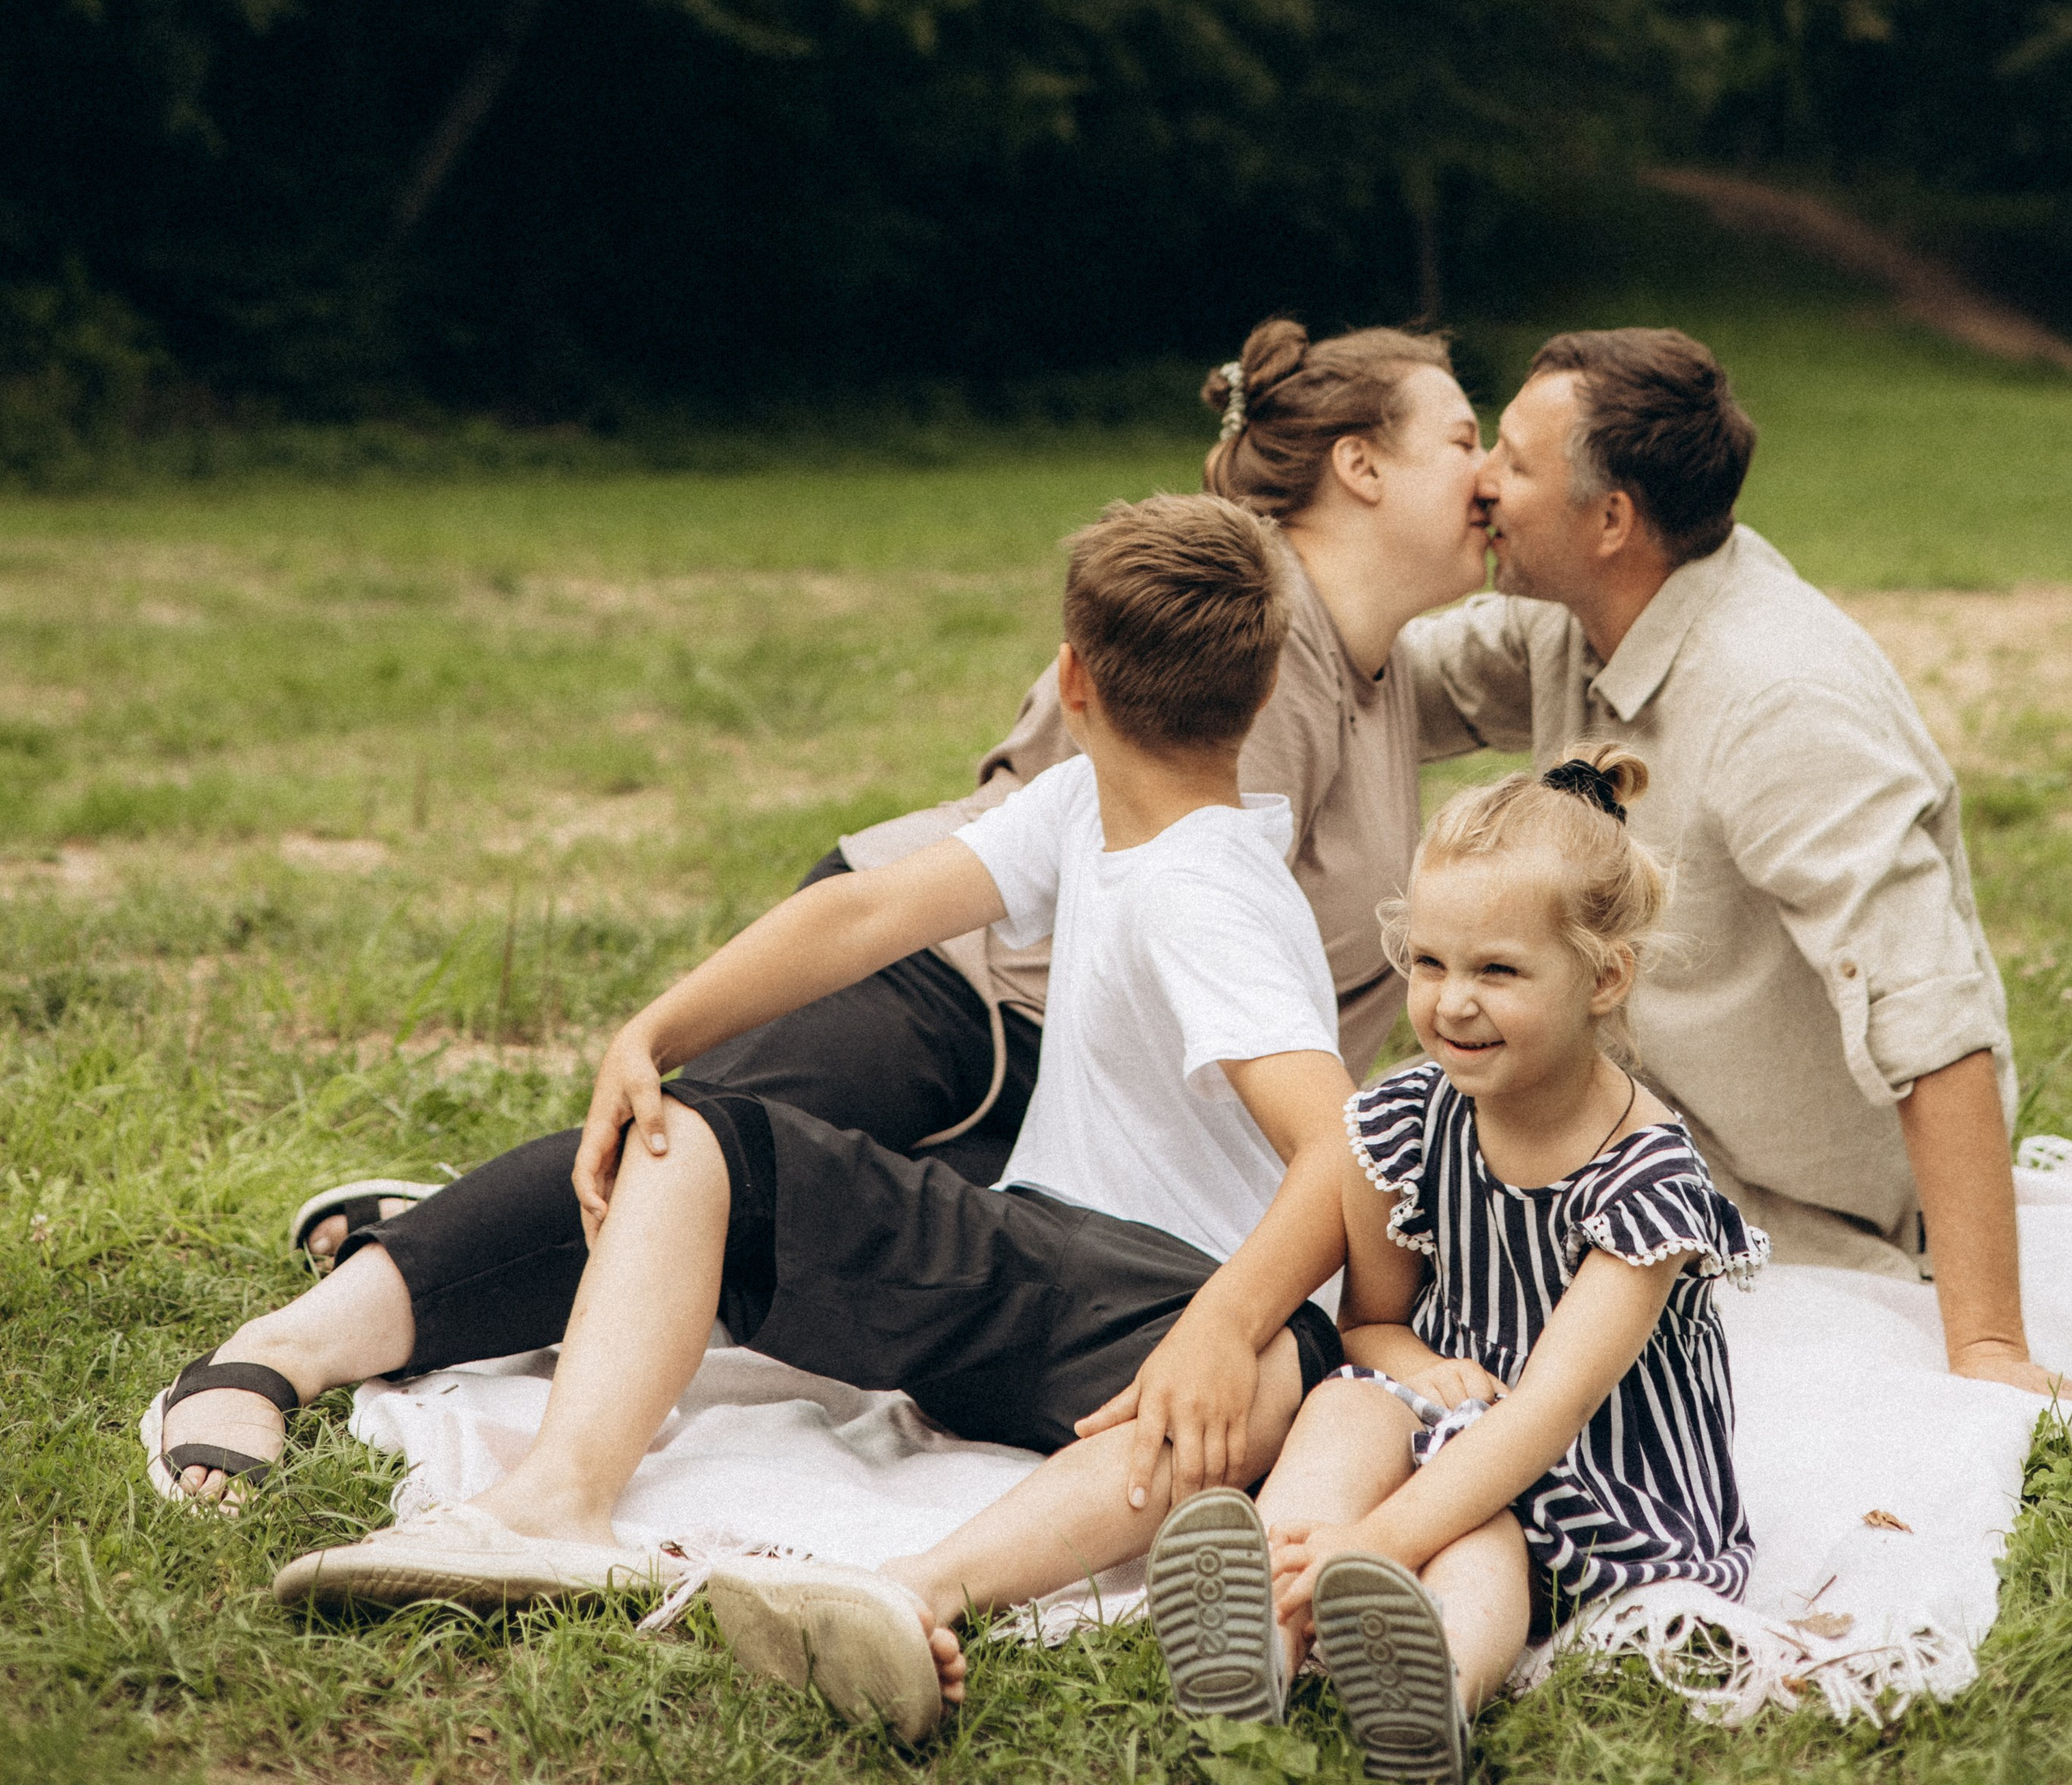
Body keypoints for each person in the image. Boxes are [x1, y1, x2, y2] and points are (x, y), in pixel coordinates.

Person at [148, 496, 1362, 1722]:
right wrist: (655, 1033)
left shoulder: (1209, 893)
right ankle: (548, 1508)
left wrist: (1222, 1324)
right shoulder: (1089, 807)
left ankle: (915, 1591)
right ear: (1262, 698)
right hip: (1032, 1254)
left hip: (1172, 1313)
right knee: (694, 1141)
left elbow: (1339, 1152)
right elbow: (864, 913)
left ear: (1073, 678)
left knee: (1268, 1378)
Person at [284, 321, 1484, 1310]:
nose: (1488, 481)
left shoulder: (1376, 669)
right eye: (1469, 441)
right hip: (965, 978)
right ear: (1359, 465)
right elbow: (1125, 908)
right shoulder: (1245, 624)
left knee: (761, 1251)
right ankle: (328, 1323)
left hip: (1045, 1045)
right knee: (686, 1157)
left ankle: (435, 1227)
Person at [1405, 325, 2053, 1391]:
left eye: (1513, 463)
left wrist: (1986, 1345)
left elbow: (1927, 1008)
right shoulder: (1575, 622)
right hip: (1623, 1128)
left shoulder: (1776, 699)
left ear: (1612, 519)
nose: (1479, 483)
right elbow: (1379, 673)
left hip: (1789, 1202)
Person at [1141, 750, 1765, 1785]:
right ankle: (1264, 1630)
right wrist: (1419, 1367)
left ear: (1602, 977)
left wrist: (1379, 1536)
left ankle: (1437, 1679)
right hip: (1459, 1424)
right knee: (1346, 1404)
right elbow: (1370, 1326)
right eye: (1429, 962)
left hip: (1599, 1479)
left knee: (1481, 1522)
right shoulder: (1411, 1117)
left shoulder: (1644, 1177)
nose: (1450, 1002)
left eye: (1497, 971)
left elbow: (1545, 1417)